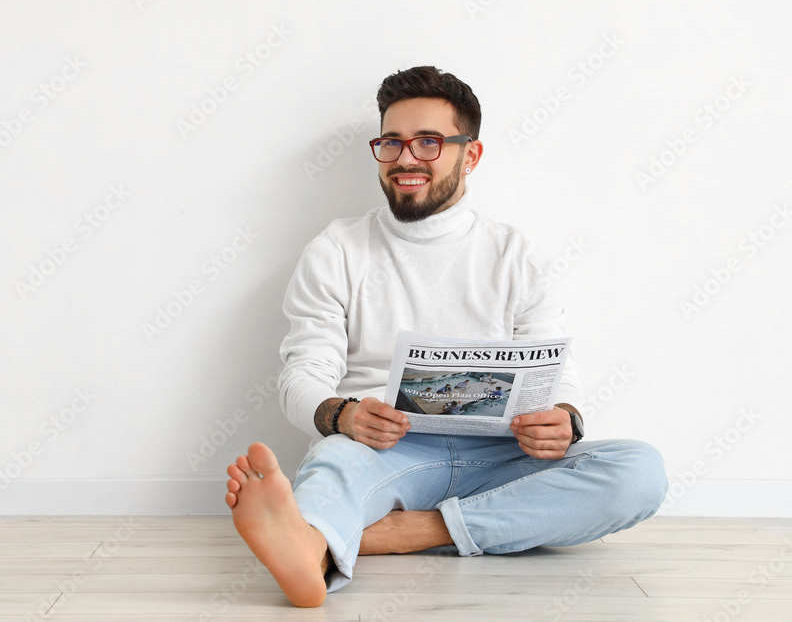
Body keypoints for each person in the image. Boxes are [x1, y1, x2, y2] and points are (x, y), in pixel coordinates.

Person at [224, 66, 668, 608]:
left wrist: (566, 420)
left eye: (428, 143)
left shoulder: (515, 253)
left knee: (638, 472)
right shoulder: (336, 250)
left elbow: (556, 369)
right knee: (334, 463)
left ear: (470, 155)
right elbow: (302, 373)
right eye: (392, 143)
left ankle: (395, 534)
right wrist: (342, 414)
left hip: (501, 460)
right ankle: (310, 548)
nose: (406, 159)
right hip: (386, 451)